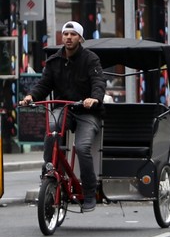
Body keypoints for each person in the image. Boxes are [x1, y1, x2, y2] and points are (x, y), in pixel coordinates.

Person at [19, 21, 106, 212]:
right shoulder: (53, 61)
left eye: (73, 34)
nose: (68, 37)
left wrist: (94, 98)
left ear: (80, 38)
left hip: (86, 111)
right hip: (63, 108)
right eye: (65, 34)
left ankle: (90, 191)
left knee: (82, 148)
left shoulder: (91, 59)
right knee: (52, 133)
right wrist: (31, 96)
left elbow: (99, 82)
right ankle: (49, 169)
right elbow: (43, 85)